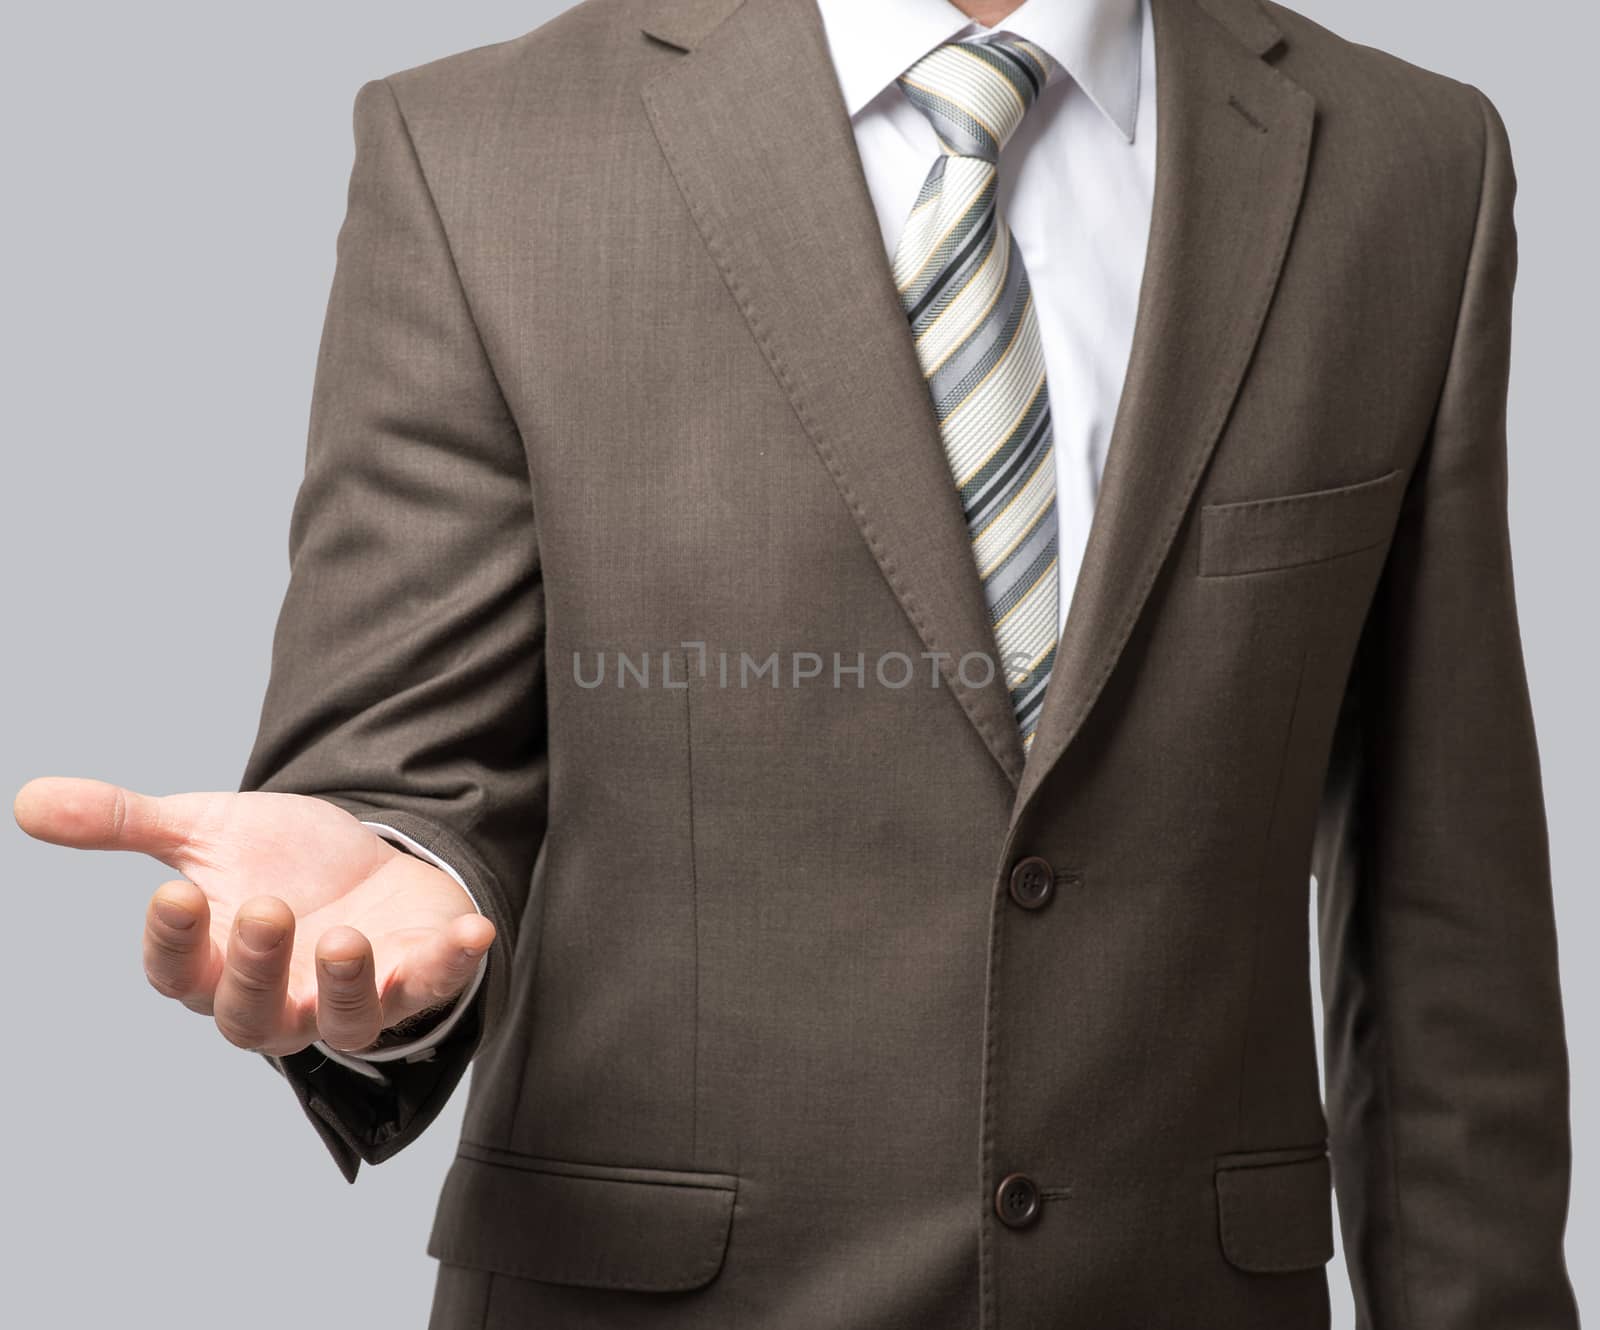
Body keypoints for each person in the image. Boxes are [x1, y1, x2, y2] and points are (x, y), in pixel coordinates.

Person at [13, 0, 1580, 1325]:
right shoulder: (480, 153)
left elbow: (1449, 909)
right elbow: (407, 789)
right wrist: (392, 883)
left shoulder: (1408, 166)